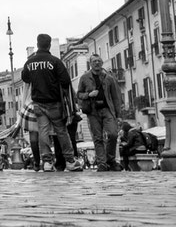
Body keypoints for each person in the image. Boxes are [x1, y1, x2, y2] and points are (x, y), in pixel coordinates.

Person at [21, 33, 81, 172]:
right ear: (49, 45)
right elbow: (65, 81)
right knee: (61, 131)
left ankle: (47, 162)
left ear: (37, 44)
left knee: (43, 131)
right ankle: (70, 161)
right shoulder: (55, 61)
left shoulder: (30, 62)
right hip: (54, 102)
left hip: (38, 102)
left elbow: (25, 78)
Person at [76, 54, 122, 171]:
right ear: (90, 64)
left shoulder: (109, 78)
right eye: (94, 61)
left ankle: (110, 159)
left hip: (107, 110)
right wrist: (88, 95)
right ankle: (102, 163)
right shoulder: (84, 78)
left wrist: (118, 115)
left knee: (113, 134)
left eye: (98, 61)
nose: (97, 63)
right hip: (93, 111)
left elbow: (116, 97)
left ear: (102, 63)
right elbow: (78, 95)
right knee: (98, 138)